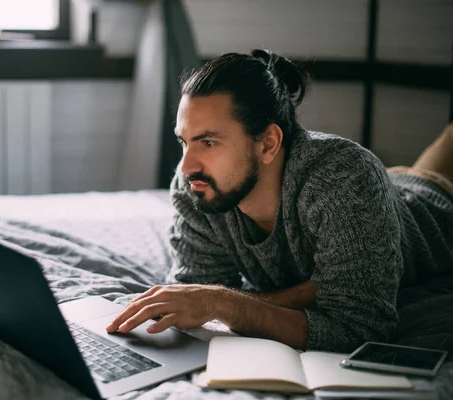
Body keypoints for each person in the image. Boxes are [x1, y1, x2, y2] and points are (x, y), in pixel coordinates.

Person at [106, 49, 453, 353]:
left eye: (208, 143)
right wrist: (304, 292)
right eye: (185, 142)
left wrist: (229, 303)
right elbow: (196, 295)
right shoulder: (196, 186)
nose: (186, 166)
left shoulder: (344, 177)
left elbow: (358, 328)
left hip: (436, 198)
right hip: (387, 187)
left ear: (269, 143)